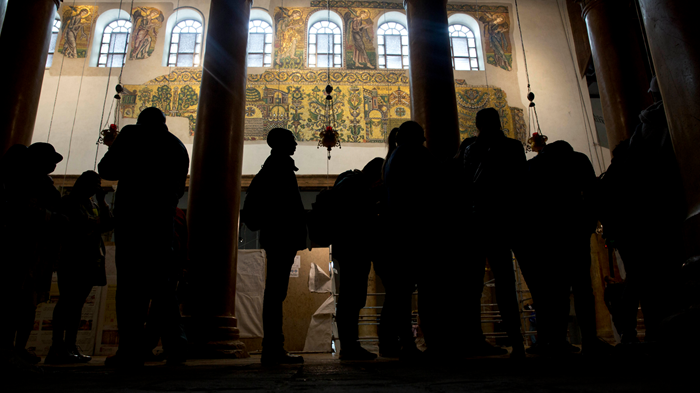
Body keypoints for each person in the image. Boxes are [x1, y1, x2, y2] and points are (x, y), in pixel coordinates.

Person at [98, 107, 190, 367]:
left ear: (140, 122)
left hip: (133, 219)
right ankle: (177, 343)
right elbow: (178, 189)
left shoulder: (131, 135)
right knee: (162, 286)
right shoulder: (177, 146)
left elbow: (107, 169)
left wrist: (115, 147)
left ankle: (129, 349)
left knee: (130, 286)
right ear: (164, 123)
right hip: (161, 221)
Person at [524, 140, 612, 356]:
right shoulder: (578, 160)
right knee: (583, 288)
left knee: (555, 291)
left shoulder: (535, 165)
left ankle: (556, 341)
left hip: (547, 236)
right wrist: (590, 223)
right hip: (575, 231)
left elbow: (527, 201)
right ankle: (589, 339)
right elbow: (592, 193)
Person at [461, 107, 526, 357]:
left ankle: (474, 339)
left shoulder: (471, 150)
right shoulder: (513, 147)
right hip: (505, 220)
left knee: (473, 285)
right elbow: (521, 183)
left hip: (477, 222)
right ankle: (516, 340)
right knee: (506, 282)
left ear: (477, 124)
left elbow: (466, 187)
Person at [1, 143, 64, 368]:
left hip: (39, 251)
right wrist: (52, 217)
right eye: (50, 160)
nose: (54, 164)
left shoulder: (43, 184)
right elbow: (23, 209)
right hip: (22, 247)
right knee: (13, 299)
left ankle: (18, 347)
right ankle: (7, 347)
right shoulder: (21, 183)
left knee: (30, 303)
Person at [45, 171, 113, 364]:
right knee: (67, 301)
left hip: (90, 259)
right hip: (73, 258)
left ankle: (70, 345)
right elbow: (83, 224)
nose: (97, 188)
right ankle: (57, 346)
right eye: (94, 184)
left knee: (77, 305)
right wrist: (97, 223)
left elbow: (107, 224)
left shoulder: (93, 204)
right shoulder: (69, 202)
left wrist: (102, 202)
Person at [252, 128, 306, 365]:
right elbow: (286, 208)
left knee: (275, 293)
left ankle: (273, 347)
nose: (295, 143)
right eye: (292, 140)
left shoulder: (275, 166)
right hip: (280, 237)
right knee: (275, 293)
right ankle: (273, 348)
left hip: (277, 237)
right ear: (282, 143)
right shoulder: (279, 168)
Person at [382, 121, 433, 357]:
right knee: (423, 289)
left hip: (397, 232)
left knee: (400, 293)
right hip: (417, 231)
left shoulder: (393, 157)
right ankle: (422, 342)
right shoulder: (415, 154)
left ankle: (397, 342)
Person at [333, 158, 384, 361]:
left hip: (347, 248)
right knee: (352, 298)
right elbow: (363, 220)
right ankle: (350, 346)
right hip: (354, 248)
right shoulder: (358, 186)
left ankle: (349, 345)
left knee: (350, 297)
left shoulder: (347, 181)